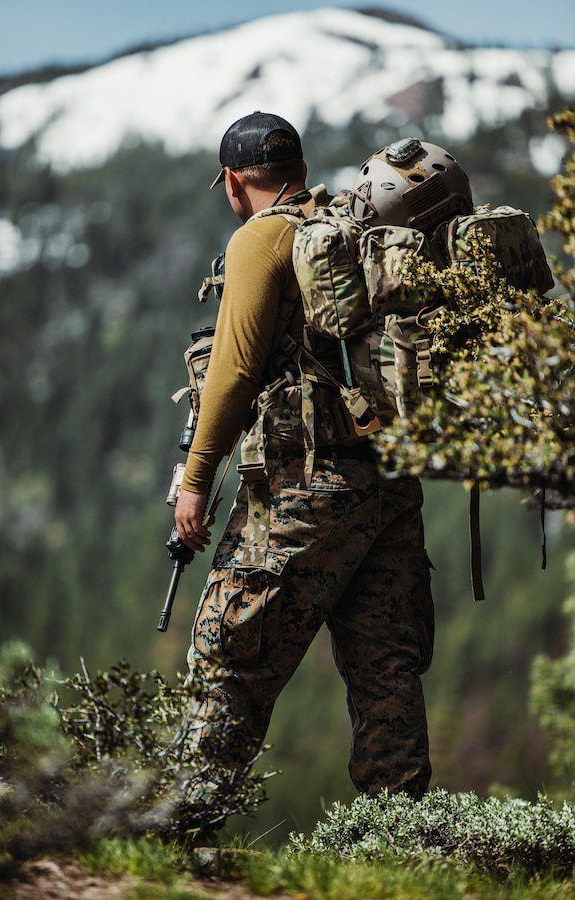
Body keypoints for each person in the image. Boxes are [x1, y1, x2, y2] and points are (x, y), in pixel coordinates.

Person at [175, 111, 435, 825]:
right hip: (389, 479)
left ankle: (180, 834)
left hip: (303, 489)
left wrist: (196, 479)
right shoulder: (352, 227)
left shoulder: (261, 237)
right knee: (386, 668)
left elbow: (232, 374)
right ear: (301, 169)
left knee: (229, 657)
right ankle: (401, 844)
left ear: (234, 181)